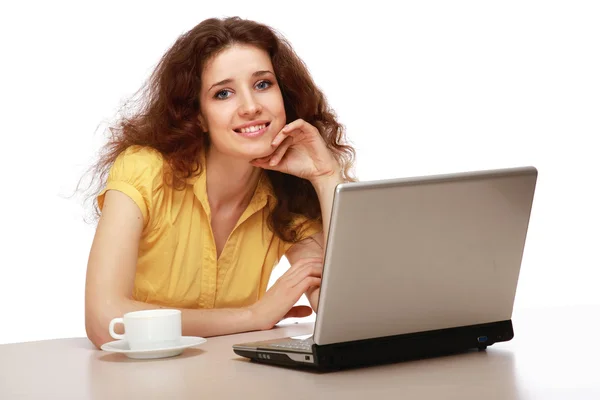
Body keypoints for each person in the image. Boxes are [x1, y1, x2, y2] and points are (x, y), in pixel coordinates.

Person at [83, 16, 357, 348]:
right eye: (223, 93)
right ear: (197, 115)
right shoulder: (144, 170)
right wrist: (252, 317)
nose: (251, 107)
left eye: (262, 84)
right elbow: (104, 321)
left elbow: (348, 316)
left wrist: (326, 177)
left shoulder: (285, 196)